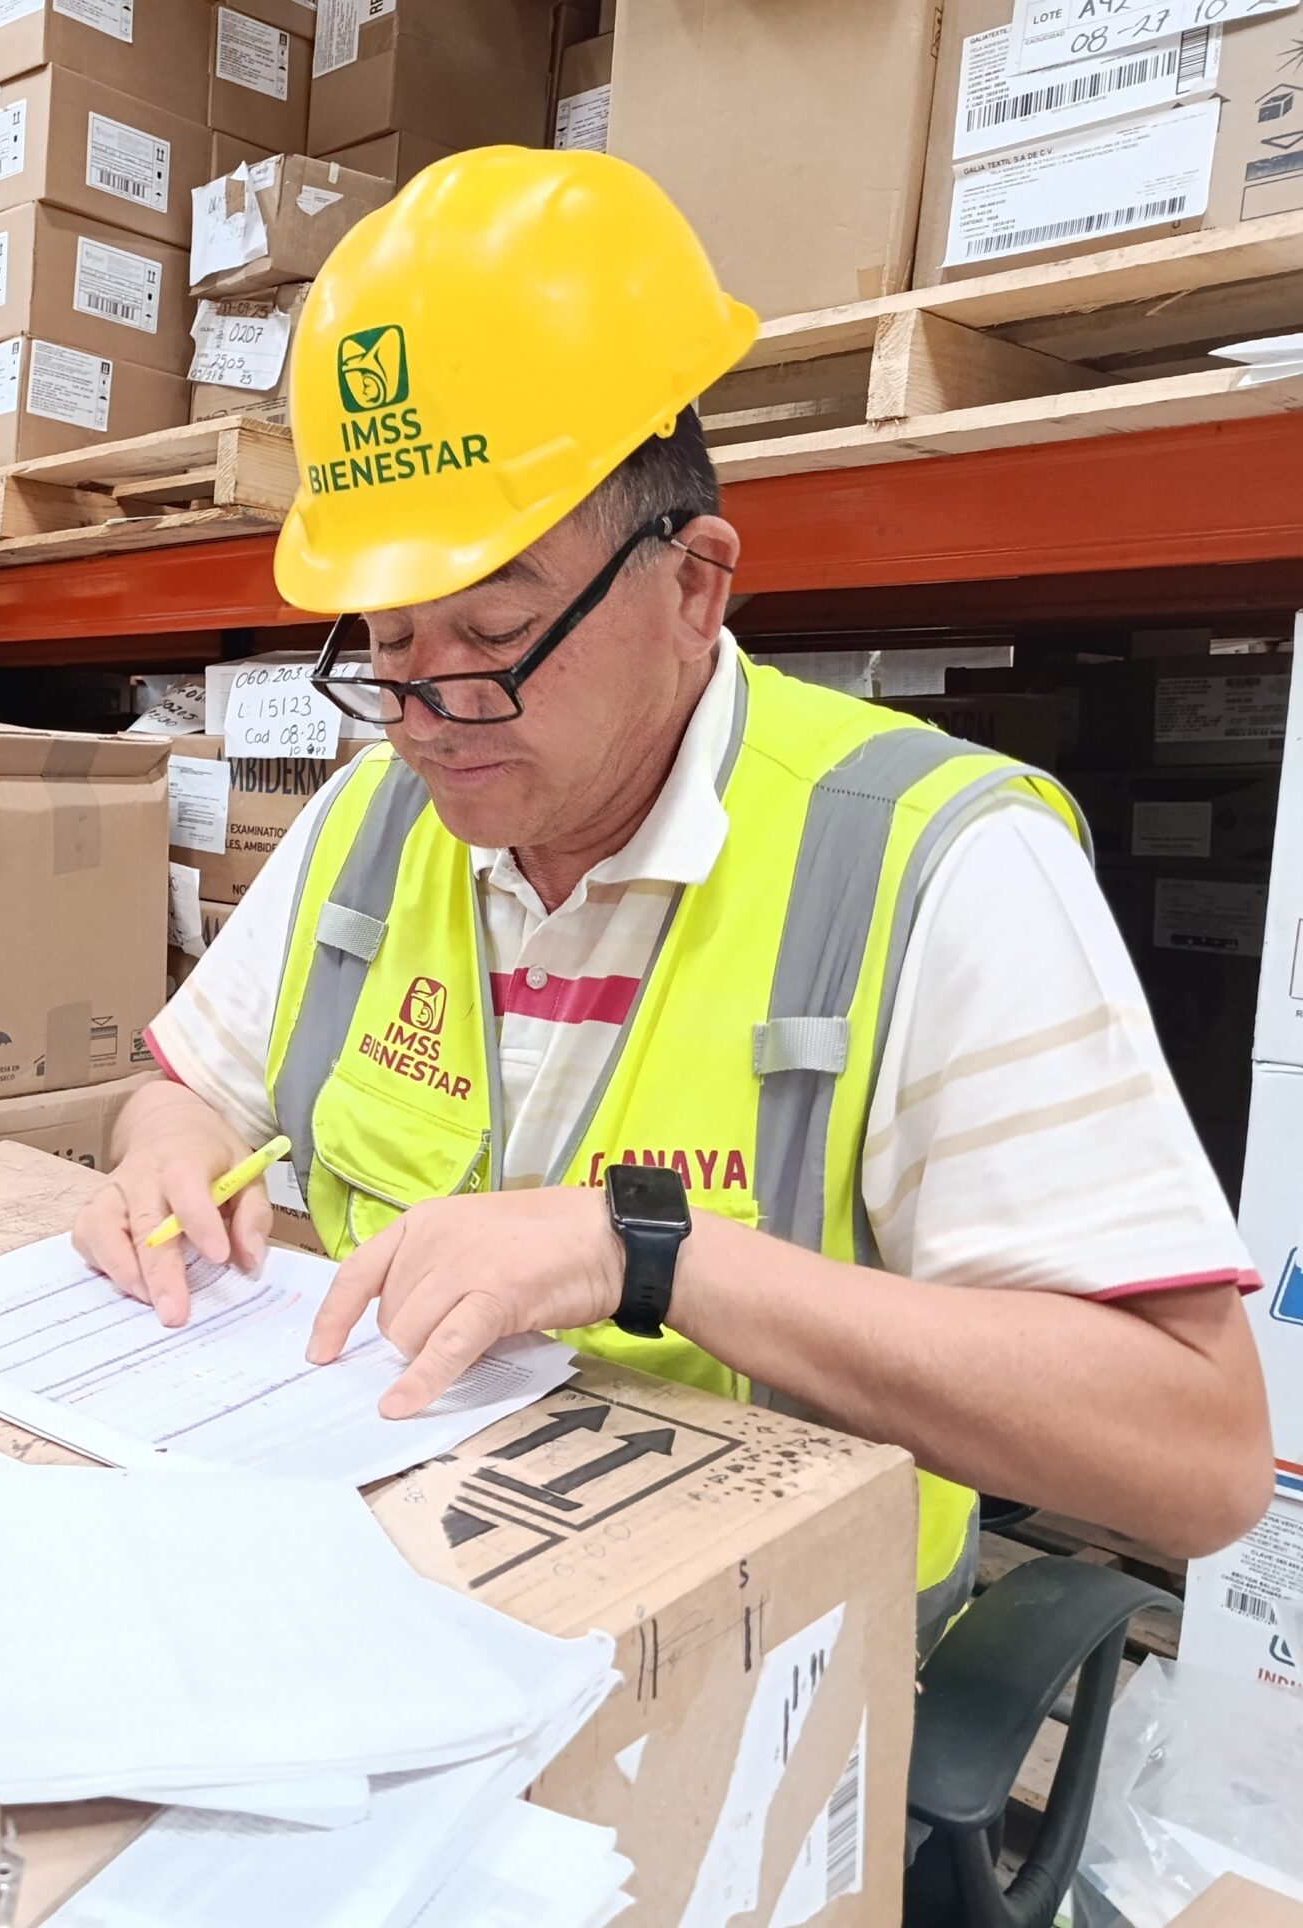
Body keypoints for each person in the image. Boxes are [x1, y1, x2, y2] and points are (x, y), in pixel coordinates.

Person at [74, 148, 1270, 1650]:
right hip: (376, 1582)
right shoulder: (372, 821)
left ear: (695, 584)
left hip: (757, 1663)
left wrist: (652, 1252)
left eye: (493, 634)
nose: (428, 712)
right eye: (386, 643)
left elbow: (1199, 1456)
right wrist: (165, 1158)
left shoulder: (931, 865)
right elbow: (185, 1092)